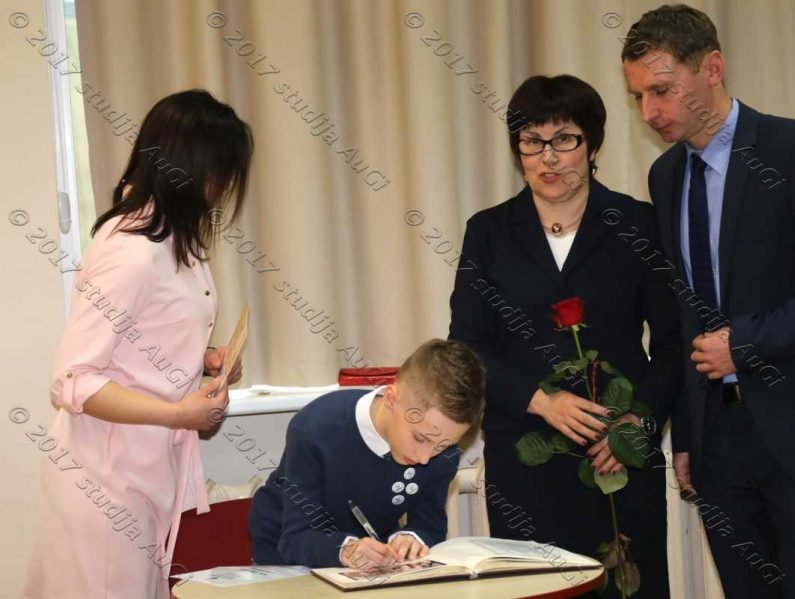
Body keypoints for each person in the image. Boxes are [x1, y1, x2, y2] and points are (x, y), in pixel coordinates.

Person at [621, 5, 795, 598]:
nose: (649, 112)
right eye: (638, 96)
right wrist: (688, 436)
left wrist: (745, 344)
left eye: (661, 91)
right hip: (719, 444)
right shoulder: (665, 177)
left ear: (712, 68)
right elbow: (686, 312)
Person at [448, 74, 683, 598]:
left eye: (564, 139)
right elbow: (467, 344)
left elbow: (673, 343)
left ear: (592, 144)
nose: (548, 157)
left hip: (617, 456)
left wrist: (637, 426)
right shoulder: (488, 232)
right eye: (532, 142)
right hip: (525, 460)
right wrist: (541, 401)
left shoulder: (639, 224)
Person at [23, 89, 253, 599]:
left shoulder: (175, 240)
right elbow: (73, 381)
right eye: (220, 172)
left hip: (144, 476)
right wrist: (178, 414)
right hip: (106, 480)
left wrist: (204, 360)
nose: (223, 187)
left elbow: (143, 338)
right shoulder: (131, 252)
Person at [248, 339, 485, 572]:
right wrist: (346, 550)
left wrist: (411, 538)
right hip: (283, 552)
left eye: (442, 446)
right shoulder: (316, 429)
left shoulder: (442, 452)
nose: (425, 458)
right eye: (420, 438)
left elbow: (429, 525)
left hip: (362, 561)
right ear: (391, 399)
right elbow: (295, 538)